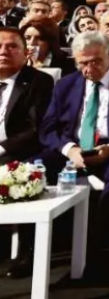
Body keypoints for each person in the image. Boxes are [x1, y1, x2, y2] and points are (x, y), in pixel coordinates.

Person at [0, 27, 55, 278]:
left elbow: (35, 128)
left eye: (12, 46)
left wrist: (2, 148)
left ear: (26, 52)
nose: (4, 51)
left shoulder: (38, 81)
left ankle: (27, 252)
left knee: (24, 170)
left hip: (17, 150)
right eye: (0, 46)